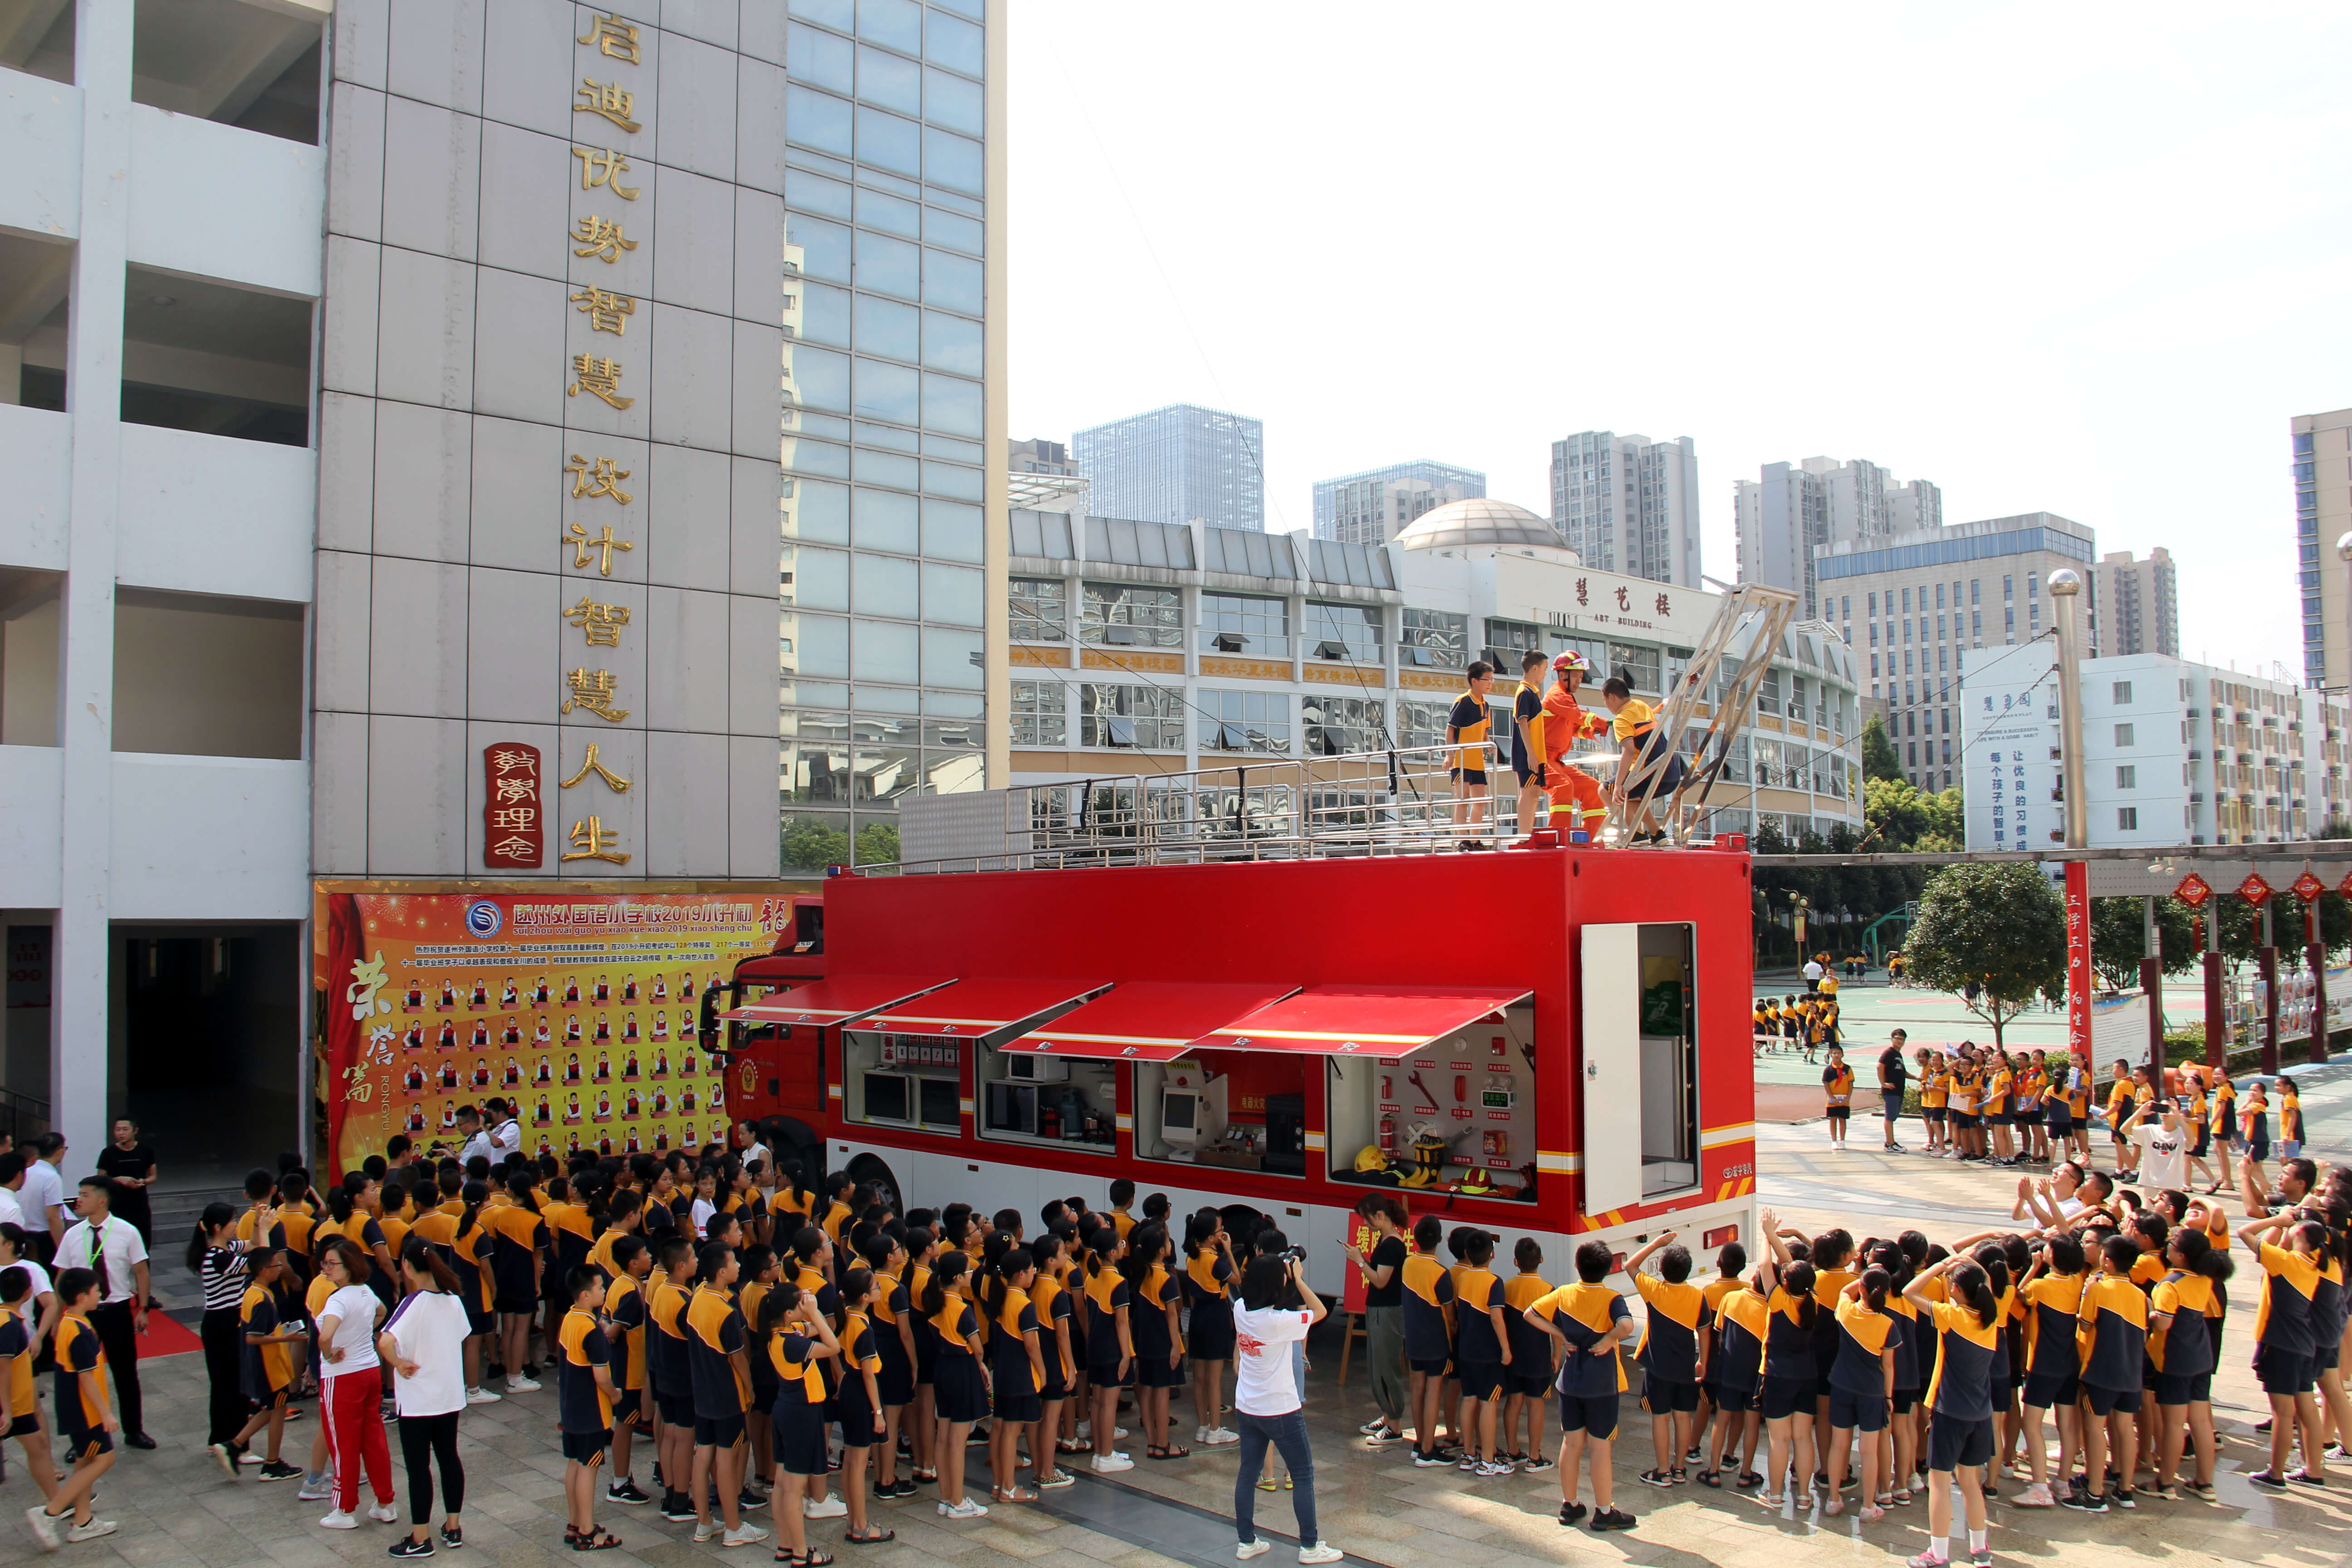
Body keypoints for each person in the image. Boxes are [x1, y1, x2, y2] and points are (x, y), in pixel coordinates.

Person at [1230, 1249, 1343, 1565]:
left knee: (1247, 1473)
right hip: (1281, 1409)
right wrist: (1299, 1279)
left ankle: (1246, 1541)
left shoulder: (1240, 1308)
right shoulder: (1279, 1322)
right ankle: (1310, 1546)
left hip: (1248, 1406)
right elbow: (1320, 1311)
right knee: (1303, 1474)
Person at [1523, 1239, 1636, 1531]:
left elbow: (1530, 1314)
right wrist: (1610, 1339)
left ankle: (1569, 1505)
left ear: (1577, 1265)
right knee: (1601, 1449)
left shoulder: (1564, 1293)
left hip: (1570, 1383)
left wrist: (1559, 1334)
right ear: (1609, 1269)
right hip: (1602, 1385)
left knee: (1571, 1444)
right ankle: (1603, 1511)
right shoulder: (1613, 1298)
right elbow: (1627, 1327)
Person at [382, 1237, 474, 1557]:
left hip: (419, 1398)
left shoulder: (413, 1302)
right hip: (448, 1395)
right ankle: (453, 1527)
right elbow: (462, 1334)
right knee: (449, 1458)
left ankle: (419, 1539)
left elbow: (384, 1342)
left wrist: (399, 1363)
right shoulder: (453, 1299)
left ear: (406, 1267)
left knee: (418, 1468)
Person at [53, 1176, 153, 1450]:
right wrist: (58, 1316)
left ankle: (134, 1430)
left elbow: (141, 1271)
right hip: (82, 1316)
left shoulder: (126, 1231)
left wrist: (142, 1308)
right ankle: (80, 1437)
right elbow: (62, 1276)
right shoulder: (73, 1234)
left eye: (84, 1195)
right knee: (79, 1375)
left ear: (102, 1200)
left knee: (126, 1373)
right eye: (79, 1194)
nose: (78, 1200)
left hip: (117, 1310)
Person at [26, 1268, 117, 1548]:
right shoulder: (78, 1330)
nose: (100, 1294)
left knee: (85, 1462)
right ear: (82, 1296)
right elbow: (86, 1377)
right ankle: (50, 1512)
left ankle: (83, 1522)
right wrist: (105, 1413)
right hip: (85, 1413)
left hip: (78, 1410)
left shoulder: (71, 1322)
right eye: (97, 1290)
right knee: (105, 1459)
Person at [2240, 1210, 2330, 1488]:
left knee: (2283, 1413)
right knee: (2306, 1409)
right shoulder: (2313, 1263)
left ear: (2299, 1234)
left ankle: (2276, 1473)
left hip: (2283, 1345)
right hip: (2303, 1345)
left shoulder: (2287, 1261)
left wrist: (2275, 1222)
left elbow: (2245, 1233)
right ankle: (2314, 1470)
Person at [312, 1238, 397, 1529]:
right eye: (325, 1262)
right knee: (374, 1440)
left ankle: (345, 1509)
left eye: (331, 1263)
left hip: (343, 1378)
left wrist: (329, 1352)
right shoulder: (365, 1292)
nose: (326, 1268)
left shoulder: (338, 1299)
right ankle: (386, 1503)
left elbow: (325, 1337)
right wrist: (363, 1334)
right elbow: (382, 1312)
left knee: (343, 1444)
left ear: (347, 1267)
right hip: (370, 1371)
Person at [760, 1283, 840, 1567]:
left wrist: (807, 1307)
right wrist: (817, 1313)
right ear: (786, 1313)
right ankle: (800, 1551)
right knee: (794, 1488)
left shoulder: (781, 1335)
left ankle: (785, 1544)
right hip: (801, 1413)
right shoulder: (792, 1343)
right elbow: (833, 1346)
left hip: (786, 1409)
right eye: (798, 1306)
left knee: (782, 1484)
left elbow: (813, 1330)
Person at [2073, 1236, 2148, 1512]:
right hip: (2131, 1372)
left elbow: (2086, 1324)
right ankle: (2125, 1490)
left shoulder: (2099, 1289)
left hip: (2100, 1371)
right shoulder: (2140, 1294)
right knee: (2125, 1428)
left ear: (2108, 1261)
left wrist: (2086, 1292)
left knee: (2094, 1430)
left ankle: (2095, 1492)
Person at [1624, 1232, 1704, 1489]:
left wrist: (1657, 1244)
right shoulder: (1697, 1296)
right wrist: (1702, 1359)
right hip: (1685, 1368)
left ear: (1661, 1269)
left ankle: (1662, 1472)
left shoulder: (1654, 1290)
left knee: (1661, 1418)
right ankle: (1679, 1469)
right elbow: (1704, 1332)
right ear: (1688, 1271)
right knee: (1683, 1418)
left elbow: (1630, 1266)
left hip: (1658, 1368)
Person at [556, 1267, 622, 1551]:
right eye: (599, 1287)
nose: (604, 1290)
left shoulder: (571, 1319)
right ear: (585, 1295)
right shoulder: (592, 1330)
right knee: (590, 1468)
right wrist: (615, 1395)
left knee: (574, 1464)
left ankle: (575, 1523)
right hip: (592, 1410)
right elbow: (601, 1376)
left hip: (570, 1408)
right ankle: (587, 1531)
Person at [1824, 1269, 1896, 1521]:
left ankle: (1834, 1500)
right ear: (1886, 1293)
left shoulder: (1846, 1311)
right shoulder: (1887, 1325)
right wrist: (1888, 1397)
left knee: (1839, 1445)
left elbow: (1845, 1292)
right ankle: (1868, 1506)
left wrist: (1864, 1278)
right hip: (1872, 1392)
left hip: (1842, 1385)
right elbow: (1888, 1366)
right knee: (1869, 1450)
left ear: (1862, 1290)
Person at [1341, 1194, 1409, 1448]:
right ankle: (1387, 1416)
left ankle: (1395, 1426)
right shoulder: (1387, 1239)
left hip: (1387, 1311)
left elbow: (1381, 1280)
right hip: (1379, 1308)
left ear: (1380, 1216)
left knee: (1386, 1367)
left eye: (1368, 1220)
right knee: (1377, 1365)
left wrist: (1359, 1260)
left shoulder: (1393, 1244)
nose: (1366, 1225)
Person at [0, 1265, 62, 1519]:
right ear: (28, 1293)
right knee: (37, 1448)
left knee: (37, 1447)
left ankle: (59, 1502)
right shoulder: (10, 1325)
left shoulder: (9, 1320)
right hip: (11, 1406)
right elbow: (3, 1370)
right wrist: (6, 1411)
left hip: (17, 1405)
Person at [1598, 671, 1685, 844]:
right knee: (1632, 797)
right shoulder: (1640, 705)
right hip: (1672, 771)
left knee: (1605, 790)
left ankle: (1636, 835)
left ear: (1612, 697)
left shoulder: (1621, 720)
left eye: (1606, 701)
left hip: (1653, 771)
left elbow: (1629, 751)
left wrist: (1619, 785)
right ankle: (1657, 834)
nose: (1607, 705)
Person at [1399, 1214, 1456, 1468]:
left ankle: (1419, 1441)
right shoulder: (1441, 1274)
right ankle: (1428, 1450)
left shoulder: (1408, 1264)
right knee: (1434, 1390)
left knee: (1417, 1388)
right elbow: (1449, 1312)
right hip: (1436, 1341)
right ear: (1440, 1240)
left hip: (1413, 1339)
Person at [1539, 652, 1611, 839]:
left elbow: (1574, 727)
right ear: (1563, 675)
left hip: (1556, 760)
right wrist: (1606, 723)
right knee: (1564, 786)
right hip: (1541, 758)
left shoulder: (1567, 697)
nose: (1580, 681)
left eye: (1581, 677)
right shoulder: (1557, 695)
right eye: (1577, 676)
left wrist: (1591, 732)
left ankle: (1587, 839)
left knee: (1594, 790)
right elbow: (1580, 716)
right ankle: (1557, 838)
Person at [1183, 1211, 1239, 1446]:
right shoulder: (1215, 1261)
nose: (1222, 1232)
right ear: (1210, 1237)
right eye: (1219, 1230)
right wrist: (1228, 1250)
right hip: (1216, 1315)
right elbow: (1237, 1279)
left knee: (1199, 1377)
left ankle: (1203, 1426)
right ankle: (1216, 1430)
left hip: (1198, 1316)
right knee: (1215, 1379)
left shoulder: (1191, 1257)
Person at [1446, 662, 1496, 843]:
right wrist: (1450, 754)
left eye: (1492, 680)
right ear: (1475, 681)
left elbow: (1484, 731)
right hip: (1461, 760)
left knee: (1480, 803)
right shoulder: (1463, 701)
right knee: (1463, 800)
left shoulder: (1486, 705)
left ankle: (1475, 840)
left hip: (1477, 762)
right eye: (1487, 680)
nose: (1490, 683)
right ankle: (1463, 840)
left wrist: (1488, 742)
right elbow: (1451, 729)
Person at [91, 1122, 156, 1245]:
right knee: (116, 1243)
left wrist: (143, 1182)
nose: (121, 1133)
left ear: (135, 1131)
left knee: (143, 1243)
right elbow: (100, 1179)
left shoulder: (146, 1151)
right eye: (118, 1130)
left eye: (125, 1130)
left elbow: (153, 1176)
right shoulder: (108, 1153)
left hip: (140, 1203)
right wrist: (118, 1179)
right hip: (116, 1204)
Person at [20, 1134, 68, 1260]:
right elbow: (52, 1217)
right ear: (59, 1151)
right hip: (45, 1239)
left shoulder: (25, 1172)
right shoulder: (51, 1177)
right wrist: (62, 1251)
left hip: (23, 1234)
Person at [1877, 1031, 1909, 1152]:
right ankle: (1890, 1143)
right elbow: (1880, 1066)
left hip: (1898, 1092)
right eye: (1898, 1039)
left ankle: (1890, 1143)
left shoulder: (1898, 1055)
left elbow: (1903, 1072)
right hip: (1891, 1092)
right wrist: (1883, 1083)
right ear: (1892, 1039)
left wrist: (1916, 1078)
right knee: (1889, 1117)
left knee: (1893, 1116)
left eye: (1903, 1039)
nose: (1900, 1042)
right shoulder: (1889, 1053)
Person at [1821, 1046, 1855, 1150]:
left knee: (1843, 1119)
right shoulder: (1828, 1070)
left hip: (1844, 1099)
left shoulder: (1847, 1069)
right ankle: (1834, 1141)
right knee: (1833, 1119)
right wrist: (1832, 1097)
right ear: (1831, 1055)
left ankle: (1842, 1141)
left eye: (1839, 1053)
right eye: (1834, 1054)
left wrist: (1848, 1098)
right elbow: (1826, 1085)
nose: (1837, 1055)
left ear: (1843, 1055)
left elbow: (1850, 1084)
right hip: (1832, 1101)